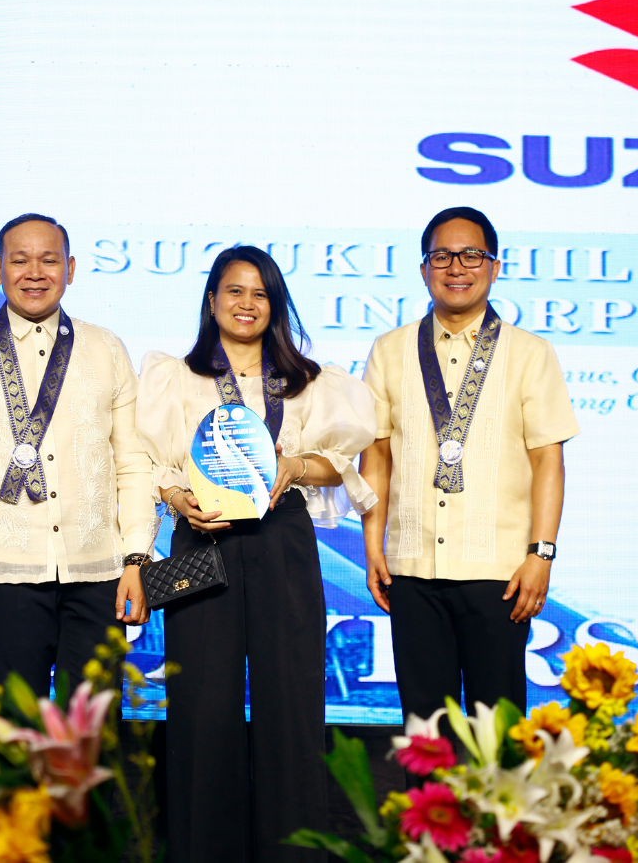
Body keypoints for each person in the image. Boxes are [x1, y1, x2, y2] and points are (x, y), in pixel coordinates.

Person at [137, 246, 377, 863]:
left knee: (291, 705)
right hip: (202, 536)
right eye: (234, 291)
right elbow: (146, 462)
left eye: (260, 293)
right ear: (211, 299)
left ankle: (291, 851)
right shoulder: (175, 377)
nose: (246, 304)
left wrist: (293, 464)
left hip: (282, 541)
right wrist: (173, 496)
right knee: (202, 708)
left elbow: (339, 463)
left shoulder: (308, 382)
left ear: (276, 304)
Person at [359, 206, 579, 733]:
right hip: (412, 569)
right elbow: (377, 456)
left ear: (494, 266)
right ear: (424, 268)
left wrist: (540, 555)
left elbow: (549, 459)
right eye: (442, 256)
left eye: (470, 255)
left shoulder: (530, 353)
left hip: (498, 574)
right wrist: (373, 548)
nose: (456, 267)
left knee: (497, 740)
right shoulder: (390, 351)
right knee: (424, 736)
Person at [0, 213, 152, 699]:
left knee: (91, 735)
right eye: (20, 260)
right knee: (16, 732)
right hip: (3, 574)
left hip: (99, 573)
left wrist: (136, 559)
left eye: (49, 260)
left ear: (70, 269)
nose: (35, 272)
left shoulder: (106, 349)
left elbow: (131, 462)